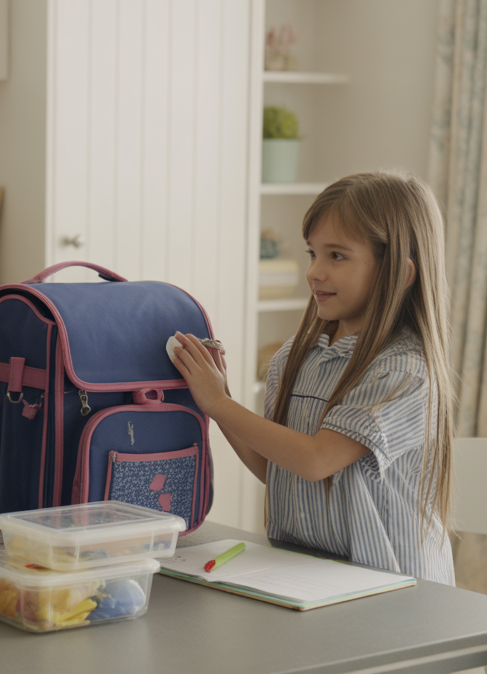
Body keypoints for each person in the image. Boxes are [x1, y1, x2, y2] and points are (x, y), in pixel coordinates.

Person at [170, 171, 456, 584]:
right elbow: (277, 468)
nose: (314, 272)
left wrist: (221, 404)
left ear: (399, 272)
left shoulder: (403, 371)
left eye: (336, 256)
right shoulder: (296, 356)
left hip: (396, 590)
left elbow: (315, 460)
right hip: (311, 577)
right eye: (312, 254)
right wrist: (219, 400)